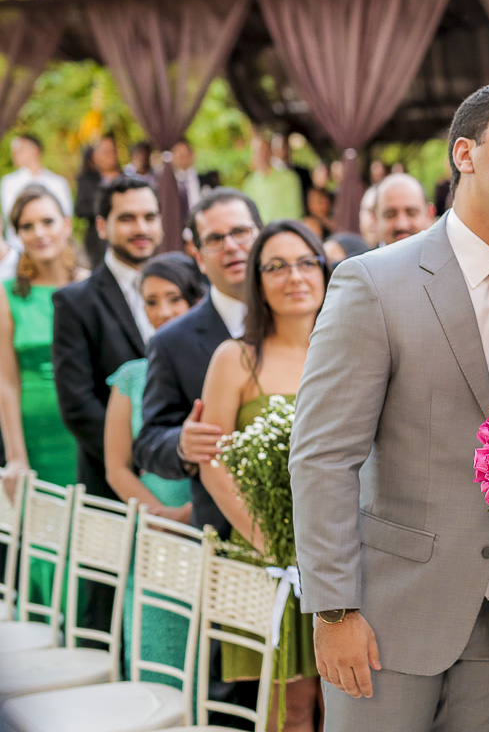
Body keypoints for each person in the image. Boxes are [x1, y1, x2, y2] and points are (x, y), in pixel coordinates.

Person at [290, 77, 489, 732]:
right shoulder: (374, 281)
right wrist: (333, 610)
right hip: (387, 618)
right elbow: (323, 455)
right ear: (463, 154)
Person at [200, 220, 329, 730]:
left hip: (345, 548)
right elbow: (213, 461)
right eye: (275, 266)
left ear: (323, 269)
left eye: (304, 262)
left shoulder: (353, 345)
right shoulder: (235, 358)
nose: (292, 276)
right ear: (256, 280)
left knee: (348, 701)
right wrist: (272, 543)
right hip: (269, 556)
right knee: (289, 708)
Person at [133, 189, 263, 536]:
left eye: (240, 232)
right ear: (199, 256)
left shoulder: (305, 315)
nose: (231, 246)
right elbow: (147, 443)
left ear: (261, 237)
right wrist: (181, 444)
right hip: (222, 531)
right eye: (215, 239)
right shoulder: (171, 342)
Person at [104, 251, 202, 684]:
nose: (163, 311)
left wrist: (190, 515)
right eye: (151, 301)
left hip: (209, 518)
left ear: (195, 299)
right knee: (156, 651)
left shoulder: (214, 365)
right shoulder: (130, 377)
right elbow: (116, 467)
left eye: (174, 298)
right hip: (155, 530)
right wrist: (163, 517)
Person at [0, 187, 87, 610]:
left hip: (85, 432)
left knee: (94, 533)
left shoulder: (89, 287)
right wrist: (16, 455)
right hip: (36, 435)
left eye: (47, 221)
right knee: (44, 535)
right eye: (26, 226)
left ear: (66, 224)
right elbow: (5, 380)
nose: (39, 233)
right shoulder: (8, 294)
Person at [52, 175, 163, 503]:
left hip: (188, 484)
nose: (141, 228)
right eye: (127, 218)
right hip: (113, 486)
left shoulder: (191, 288)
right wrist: (140, 457)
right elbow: (78, 404)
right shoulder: (75, 302)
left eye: (149, 217)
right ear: (102, 226)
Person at [0, 134, 73, 250]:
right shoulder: (9, 182)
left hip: (55, 247)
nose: (14, 154)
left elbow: (66, 214)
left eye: (19, 150)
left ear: (34, 150)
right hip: (19, 247)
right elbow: (11, 214)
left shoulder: (58, 182)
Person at [76, 134, 123, 266]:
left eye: (112, 151)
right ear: (95, 155)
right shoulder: (87, 179)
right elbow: (80, 209)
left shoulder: (126, 178)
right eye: (104, 151)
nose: (109, 155)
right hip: (97, 241)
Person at [242, 133, 303, 223]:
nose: (262, 156)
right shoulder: (249, 183)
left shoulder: (289, 178)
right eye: (258, 152)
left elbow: (294, 212)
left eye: (265, 151)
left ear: (271, 153)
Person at [374, 174, 434, 246]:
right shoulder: (361, 257)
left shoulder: (446, 256)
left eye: (411, 213)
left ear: (430, 214)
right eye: (390, 215)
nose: (402, 225)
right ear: (375, 218)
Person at [170, 139, 220, 211]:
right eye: (178, 156)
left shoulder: (207, 179)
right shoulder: (167, 182)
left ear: (192, 155)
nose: (181, 160)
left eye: (184, 155)